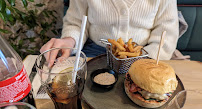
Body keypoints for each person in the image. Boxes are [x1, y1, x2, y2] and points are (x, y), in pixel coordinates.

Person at [40, 0, 179, 63]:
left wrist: (147, 60)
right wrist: (69, 40)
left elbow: (167, 32)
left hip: (145, 53)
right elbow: (76, 21)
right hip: (95, 50)